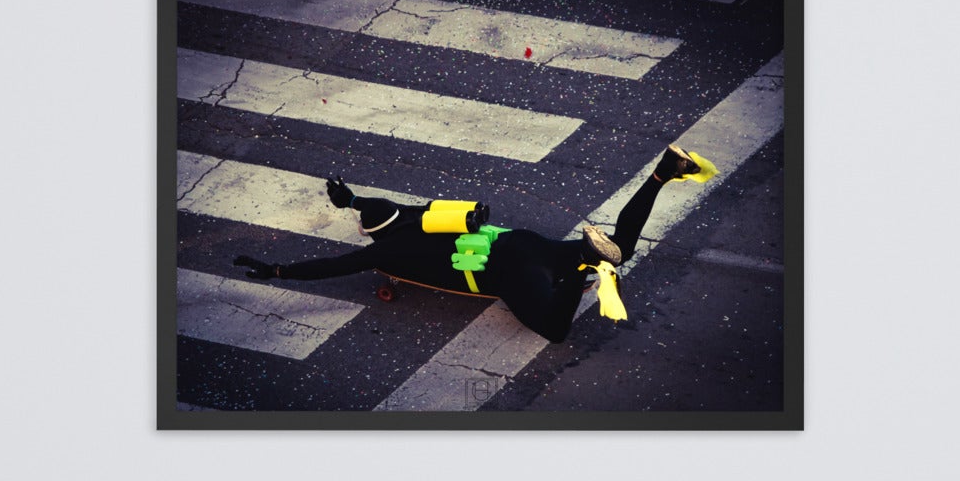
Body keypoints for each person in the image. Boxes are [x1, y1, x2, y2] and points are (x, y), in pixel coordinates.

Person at [232, 146, 714, 344]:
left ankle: (587, 263)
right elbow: (371, 204)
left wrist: (277, 271)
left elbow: (332, 266)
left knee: (554, 330)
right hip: (521, 243)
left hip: (504, 272)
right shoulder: (420, 214)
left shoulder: (383, 252)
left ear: (372, 235)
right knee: (623, 246)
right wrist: (349, 198)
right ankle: (662, 171)